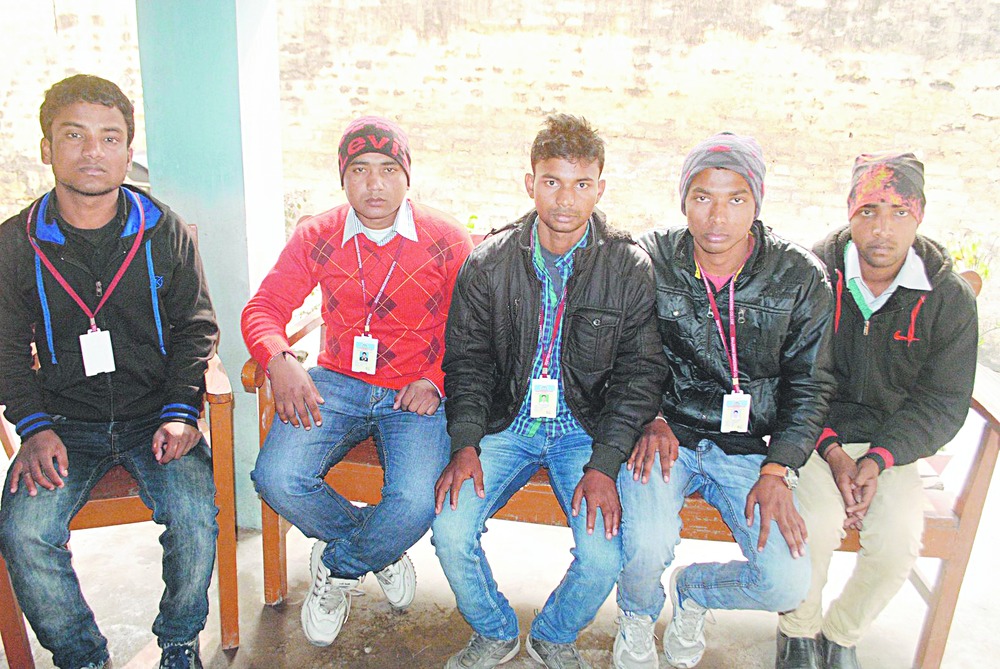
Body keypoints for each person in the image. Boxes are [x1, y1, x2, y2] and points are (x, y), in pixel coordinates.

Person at [0, 74, 219, 669]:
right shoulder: (16, 243)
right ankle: (84, 658)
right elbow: (6, 348)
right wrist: (33, 427)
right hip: (63, 425)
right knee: (24, 533)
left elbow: (196, 327)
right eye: (74, 135)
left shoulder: (161, 229)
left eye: (110, 138)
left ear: (128, 151)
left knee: (195, 516)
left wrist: (182, 412)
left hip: (157, 418)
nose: (92, 152)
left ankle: (179, 641)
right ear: (46, 147)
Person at [432, 114, 667, 669]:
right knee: (449, 528)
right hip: (505, 423)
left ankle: (554, 633)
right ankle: (494, 630)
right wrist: (465, 444)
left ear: (600, 188)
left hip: (582, 430)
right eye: (552, 181)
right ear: (530, 183)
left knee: (603, 554)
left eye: (581, 183)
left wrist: (604, 464)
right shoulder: (488, 263)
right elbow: (467, 363)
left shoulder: (627, 266)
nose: (565, 199)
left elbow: (639, 374)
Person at [242, 116, 473, 648]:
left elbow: (473, 328)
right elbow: (264, 308)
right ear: (343, 177)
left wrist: (436, 379)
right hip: (337, 382)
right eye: (360, 170)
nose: (374, 184)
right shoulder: (317, 234)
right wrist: (279, 359)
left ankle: (341, 564)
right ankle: (377, 550)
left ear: (407, 176)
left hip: (415, 393)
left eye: (388, 169)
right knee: (276, 477)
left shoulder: (445, 239)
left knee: (416, 502)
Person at [613, 132, 836, 669]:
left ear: (757, 203)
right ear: (683, 200)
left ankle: (694, 592)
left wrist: (778, 468)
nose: (717, 217)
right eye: (702, 198)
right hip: (665, 434)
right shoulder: (650, 259)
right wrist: (651, 417)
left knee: (786, 582)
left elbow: (811, 385)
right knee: (645, 542)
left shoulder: (799, 277)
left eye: (735, 199)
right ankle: (637, 615)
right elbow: (619, 355)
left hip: (749, 446)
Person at [775, 153, 978, 669]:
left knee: (896, 543)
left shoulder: (947, 297)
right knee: (813, 525)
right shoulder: (813, 277)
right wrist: (833, 450)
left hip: (893, 445)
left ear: (920, 214)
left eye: (899, 212)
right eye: (868, 210)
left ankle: (841, 633)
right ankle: (798, 629)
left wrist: (880, 458)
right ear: (849, 210)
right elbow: (791, 375)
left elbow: (942, 400)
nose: (882, 229)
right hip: (815, 435)